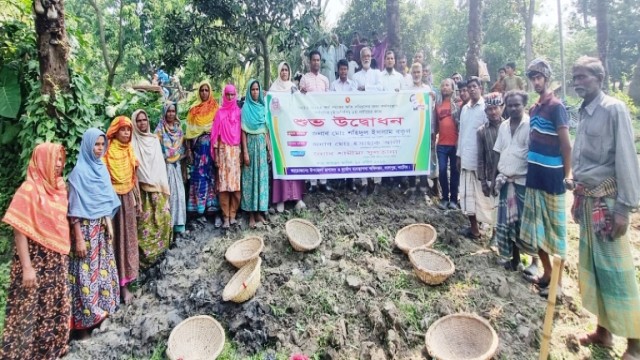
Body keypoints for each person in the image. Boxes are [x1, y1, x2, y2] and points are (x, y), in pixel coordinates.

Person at [569, 56, 640, 359]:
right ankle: (603, 332)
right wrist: (576, 196)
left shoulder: (614, 109)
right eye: (575, 76)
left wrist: (624, 207)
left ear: (599, 78)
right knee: (594, 269)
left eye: (583, 76)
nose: (578, 81)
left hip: (608, 203)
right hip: (587, 199)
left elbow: (626, 158)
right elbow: (582, 162)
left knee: (616, 272)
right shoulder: (583, 113)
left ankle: (635, 344)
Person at [0, 143, 71, 359]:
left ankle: (52, 352)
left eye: (61, 159)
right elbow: (19, 230)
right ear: (41, 160)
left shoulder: (59, 187)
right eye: (54, 159)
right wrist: (27, 267)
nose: (59, 164)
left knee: (55, 307)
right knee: (30, 309)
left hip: (56, 261)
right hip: (36, 261)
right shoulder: (29, 189)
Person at [519, 59, 572, 297]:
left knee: (555, 232)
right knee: (536, 228)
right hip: (534, 176)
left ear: (547, 78)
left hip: (553, 178)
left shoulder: (556, 106)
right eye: (533, 78)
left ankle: (558, 285)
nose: (536, 81)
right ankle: (547, 272)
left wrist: (567, 174)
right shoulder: (534, 108)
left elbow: (566, 145)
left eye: (539, 77)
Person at [67, 129, 121, 338]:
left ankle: (102, 315)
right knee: (84, 275)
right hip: (86, 232)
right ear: (87, 145)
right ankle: (82, 326)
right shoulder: (79, 173)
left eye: (101, 145)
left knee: (103, 270)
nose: (99, 149)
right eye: (96, 145)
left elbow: (105, 200)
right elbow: (73, 210)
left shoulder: (101, 169)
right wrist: (78, 238)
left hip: (101, 228)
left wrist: (109, 224)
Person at [492, 91, 531, 271]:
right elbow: (497, 152)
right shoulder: (504, 126)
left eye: (517, 105)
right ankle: (513, 259)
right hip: (505, 182)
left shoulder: (530, 125)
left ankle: (534, 263)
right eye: (510, 105)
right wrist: (493, 179)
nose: (514, 108)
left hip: (522, 182)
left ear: (524, 105)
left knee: (525, 223)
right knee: (508, 224)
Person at [104, 116, 140, 304]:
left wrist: (137, 201)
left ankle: (128, 280)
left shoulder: (129, 151)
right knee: (116, 241)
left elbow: (133, 178)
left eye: (128, 129)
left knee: (129, 240)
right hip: (112, 202)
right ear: (115, 131)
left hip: (128, 200)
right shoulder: (108, 152)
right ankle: (118, 286)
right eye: (123, 129)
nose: (126, 133)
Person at [132, 109, 172, 267]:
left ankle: (162, 257)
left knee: (163, 218)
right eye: (139, 121)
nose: (142, 123)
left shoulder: (154, 140)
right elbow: (136, 167)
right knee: (145, 224)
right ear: (135, 123)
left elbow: (159, 165)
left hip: (158, 186)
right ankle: (146, 263)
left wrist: (161, 184)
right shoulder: (132, 142)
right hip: (142, 190)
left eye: (144, 120)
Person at [270, 62, 306, 212]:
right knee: (281, 164)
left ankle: (297, 198)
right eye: (282, 70)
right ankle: (281, 200)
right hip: (279, 132)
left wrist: (301, 93)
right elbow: (271, 109)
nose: (284, 72)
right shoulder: (273, 89)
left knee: (294, 162)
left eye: (286, 70)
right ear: (279, 72)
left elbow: (299, 106)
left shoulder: (293, 87)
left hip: (292, 131)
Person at [456, 77, 489, 240]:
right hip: (466, 158)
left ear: (480, 88)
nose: (472, 90)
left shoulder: (486, 108)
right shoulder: (465, 109)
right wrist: (458, 155)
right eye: (470, 88)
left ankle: (488, 229)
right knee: (467, 196)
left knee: (482, 197)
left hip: (481, 161)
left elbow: (488, 136)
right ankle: (474, 229)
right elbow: (462, 134)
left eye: (475, 87)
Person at [185, 81, 221, 226]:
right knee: (199, 179)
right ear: (198, 92)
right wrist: (188, 150)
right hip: (199, 153)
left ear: (210, 91)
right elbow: (189, 131)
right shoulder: (193, 110)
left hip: (213, 151)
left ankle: (213, 209)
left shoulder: (216, 109)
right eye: (202, 90)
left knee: (212, 177)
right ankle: (199, 210)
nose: (204, 93)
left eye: (207, 90)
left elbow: (219, 130)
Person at [300, 50, 332, 192]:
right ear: (309, 61)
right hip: (309, 121)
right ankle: (312, 183)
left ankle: (323, 182)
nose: (316, 62)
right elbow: (300, 99)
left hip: (323, 121)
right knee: (312, 150)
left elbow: (328, 100)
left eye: (318, 60)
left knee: (324, 149)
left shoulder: (325, 80)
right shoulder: (304, 79)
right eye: (314, 60)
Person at [211, 85, 243, 228]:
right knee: (224, 186)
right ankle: (225, 217)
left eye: (232, 95)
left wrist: (242, 153)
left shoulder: (238, 112)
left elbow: (242, 135)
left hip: (235, 153)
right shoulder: (219, 113)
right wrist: (217, 156)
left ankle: (233, 214)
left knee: (235, 186)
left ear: (235, 95)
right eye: (228, 94)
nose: (230, 97)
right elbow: (215, 136)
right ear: (224, 95)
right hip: (224, 152)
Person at [241, 79, 271, 228]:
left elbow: (266, 131)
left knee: (261, 180)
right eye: (252, 89)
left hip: (261, 148)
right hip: (251, 147)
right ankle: (251, 215)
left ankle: (259, 212)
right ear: (248, 91)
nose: (255, 92)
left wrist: (269, 149)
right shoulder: (246, 108)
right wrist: (245, 152)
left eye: (257, 89)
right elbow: (243, 133)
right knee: (250, 180)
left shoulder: (262, 108)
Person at [353, 46, 383, 193]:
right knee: (362, 150)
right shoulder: (356, 76)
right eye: (364, 56)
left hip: (375, 117)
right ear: (360, 58)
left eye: (368, 55)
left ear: (371, 57)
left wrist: (365, 88)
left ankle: (376, 182)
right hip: (361, 118)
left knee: (375, 149)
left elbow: (381, 89)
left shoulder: (377, 74)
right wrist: (366, 89)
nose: (366, 58)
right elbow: (354, 94)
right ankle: (365, 182)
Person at [155, 103, 187, 234]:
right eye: (169, 111)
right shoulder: (159, 130)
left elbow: (182, 150)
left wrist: (184, 168)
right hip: (164, 167)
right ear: (164, 112)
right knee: (168, 195)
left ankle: (179, 224)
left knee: (179, 195)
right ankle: (169, 227)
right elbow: (155, 149)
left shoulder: (179, 129)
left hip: (177, 166)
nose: (171, 114)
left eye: (173, 111)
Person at [475, 93, 502, 238]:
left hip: (508, 175)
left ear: (501, 108)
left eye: (496, 108)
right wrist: (483, 181)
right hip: (491, 174)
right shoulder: (481, 131)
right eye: (489, 109)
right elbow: (481, 158)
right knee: (494, 207)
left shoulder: (508, 127)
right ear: (485, 112)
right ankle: (495, 235)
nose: (493, 112)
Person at [434, 78, 460, 210]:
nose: (445, 87)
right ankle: (445, 198)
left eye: (447, 85)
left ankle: (454, 199)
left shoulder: (458, 104)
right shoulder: (437, 105)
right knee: (443, 170)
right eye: (443, 85)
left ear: (452, 88)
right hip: (442, 144)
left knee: (455, 172)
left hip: (455, 144)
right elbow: (435, 124)